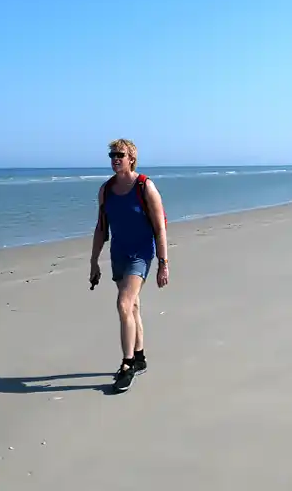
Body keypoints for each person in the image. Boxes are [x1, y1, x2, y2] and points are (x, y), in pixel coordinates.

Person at [90, 138, 169, 392]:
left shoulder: (145, 187)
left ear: (131, 158)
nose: (115, 158)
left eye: (120, 154)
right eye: (112, 154)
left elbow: (160, 228)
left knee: (123, 304)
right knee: (132, 307)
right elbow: (102, 228)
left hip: (141, 254)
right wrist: (94, 261)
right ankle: (141, 356)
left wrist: (163, 263)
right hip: (119, 255)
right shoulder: (106, 190)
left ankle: (127, 364)